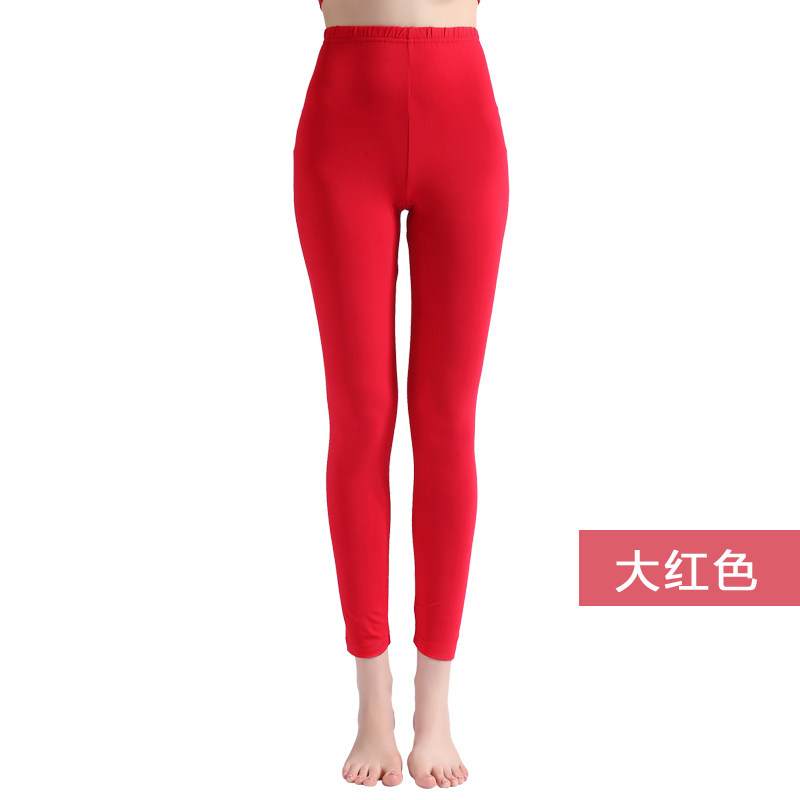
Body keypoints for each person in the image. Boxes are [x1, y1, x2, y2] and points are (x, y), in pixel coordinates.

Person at [293, 0, 508, 788]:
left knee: (447, 426)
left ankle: (435, 708)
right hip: (345, 128)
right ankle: (372, 700)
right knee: (360, 421)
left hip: (464, 127)